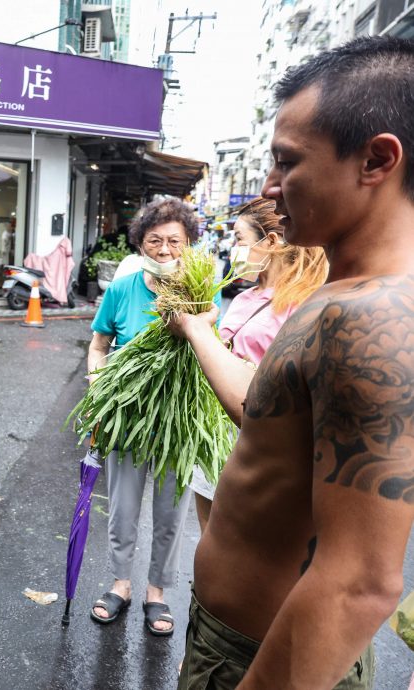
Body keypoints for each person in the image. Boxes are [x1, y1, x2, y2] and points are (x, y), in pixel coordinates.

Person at [177, 36, 414, 689]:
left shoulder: (372, 319)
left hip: (260, 659)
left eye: (286, 163)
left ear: (375, 160)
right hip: (237, 643)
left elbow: (360, 582)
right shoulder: (339, 300)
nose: (268, 187)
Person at [87, 196, 211, 637]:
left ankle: (156, 593)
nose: (163, 249)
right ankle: (120, 583)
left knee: (170, 511)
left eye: (174, 241)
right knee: (121, 507)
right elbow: (99, 344)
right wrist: (97, 388)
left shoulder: (201, 292)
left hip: (177, 418)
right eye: (154, 240)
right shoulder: (122, 288)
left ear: (189, 244)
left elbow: (213, 351)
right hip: (127, 415)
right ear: (140, 244)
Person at [167, 198, 328, 533]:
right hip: (215, 431)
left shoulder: (307, 303)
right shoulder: (242, 298)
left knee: (245, 542)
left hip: (259, 440)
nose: (234, 250)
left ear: (270, 242)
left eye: (239, 239)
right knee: (209, 536)